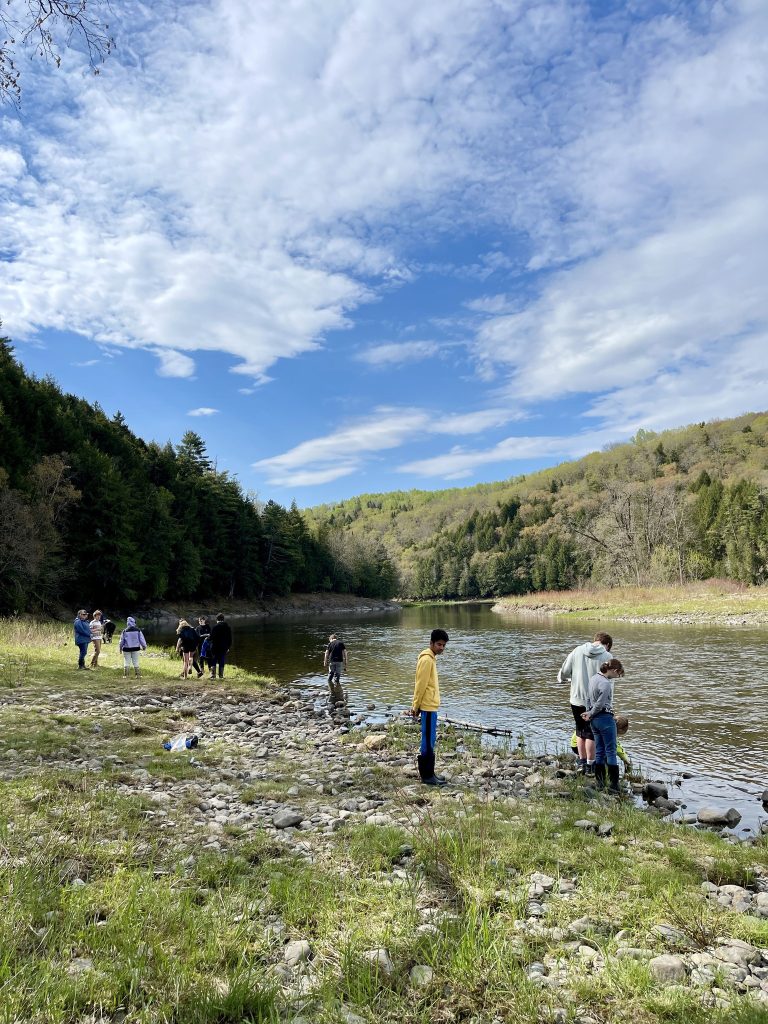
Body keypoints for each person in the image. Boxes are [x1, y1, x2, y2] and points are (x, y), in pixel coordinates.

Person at [558, 632, 614, 775]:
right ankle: (590, 766)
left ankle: (581, 763)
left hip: (576, 698)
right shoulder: (607, 657)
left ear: (595, 640)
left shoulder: (577, 650)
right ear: (607, 645)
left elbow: (564, 671)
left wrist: (568, 679)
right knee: (591, 734)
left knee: (580, 730)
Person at [411, 628, 449, 787]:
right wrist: (415, 706)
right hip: (426, 706)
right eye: (439, 644)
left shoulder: (431, 658)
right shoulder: (426, 660)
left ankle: (430, 773)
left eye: (443, 645)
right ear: (431, 643)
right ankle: (426, 776)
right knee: (426, 742)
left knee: (431, 740)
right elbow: (420, 685)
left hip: (431, 706)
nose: (441, 648)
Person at [581, 658, 625, 794]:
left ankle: (600, 783)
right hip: (605, 718)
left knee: (599, 750)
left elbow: (589, 698)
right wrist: (592, 712)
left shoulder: (593, 678)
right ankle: (614, 785)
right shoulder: (606, 683)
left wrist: (589, 713)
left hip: (594, 721)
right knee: (611, 751)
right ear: (614, 670)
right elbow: (600, 704)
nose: (616, 677)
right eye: (617, 675)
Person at [209, 613, 232, 679]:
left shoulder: (215, 627)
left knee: (214, 660)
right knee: (221, 660)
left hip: (215, 647)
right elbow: (230, 639)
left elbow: (211, 637)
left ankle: (213, 676)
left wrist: (207, 638)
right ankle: (221, 676)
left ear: (217, 619)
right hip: (224, 647)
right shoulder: (228, 627)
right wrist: (228, 647)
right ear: (223, 619)